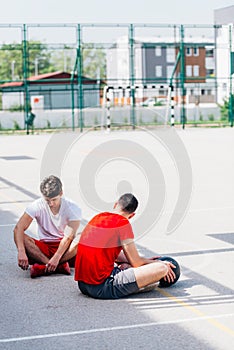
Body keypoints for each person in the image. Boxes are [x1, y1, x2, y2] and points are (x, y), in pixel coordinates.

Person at [74, 193, 176, 299]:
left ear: (115, 204)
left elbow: (115, 255)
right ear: (132, 215)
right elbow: (136, 262)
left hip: (83, 285)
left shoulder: (98, 217)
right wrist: (156, 262)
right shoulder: (122, 223)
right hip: (102, 286)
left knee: (128, 264)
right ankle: (143, 285)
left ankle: (129, 275)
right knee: (161, 268)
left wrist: (145, 261)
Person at [14, 175, 82, 278]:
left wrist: (57, 257)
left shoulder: (73, 208)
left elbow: (69, 237)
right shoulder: (36, 205)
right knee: (21, 236)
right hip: (43, 249)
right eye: (47, 200)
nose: (51, 204)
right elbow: (18, 228)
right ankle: (57, 267)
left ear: (61, 193)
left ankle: (46, 266)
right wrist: (21, 251)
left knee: (83, 236)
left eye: (54, 200)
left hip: (66, 250)